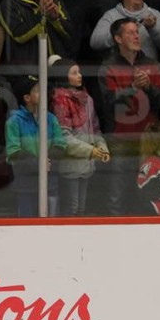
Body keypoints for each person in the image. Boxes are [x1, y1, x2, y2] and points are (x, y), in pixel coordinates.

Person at [97, 17, 160, 216]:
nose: (137, 36)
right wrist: (132, 88)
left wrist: (149, 88)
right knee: (116, 195)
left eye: (137, 32)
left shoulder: (152, 65)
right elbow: (107, 106)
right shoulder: (108, 67)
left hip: (149, 140)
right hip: (120, 140)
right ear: (118, 38)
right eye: (131, 32)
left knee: (148, 194)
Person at [49, 58, 110, 216]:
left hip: (87, 163)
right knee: (72, 208)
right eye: (74, 73)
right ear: (63, 76)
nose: (80, 75)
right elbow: (64, 137)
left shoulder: (87, 99)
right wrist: (91, 151)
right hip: (70, 163)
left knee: (81, 208)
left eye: (79, 72)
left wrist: (102, 148)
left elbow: (95, 128)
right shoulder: (59, 101)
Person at [5, 75, 66, 216]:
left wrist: (49, 162)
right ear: (26, 98)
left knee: (51, 225)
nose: (43, 93)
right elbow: (14, 152)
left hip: (50, 184)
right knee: (27, 227)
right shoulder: (14, 121)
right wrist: (39, 164)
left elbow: (60, 145)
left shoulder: (51, 118)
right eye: (38, 90)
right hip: (25, 187)